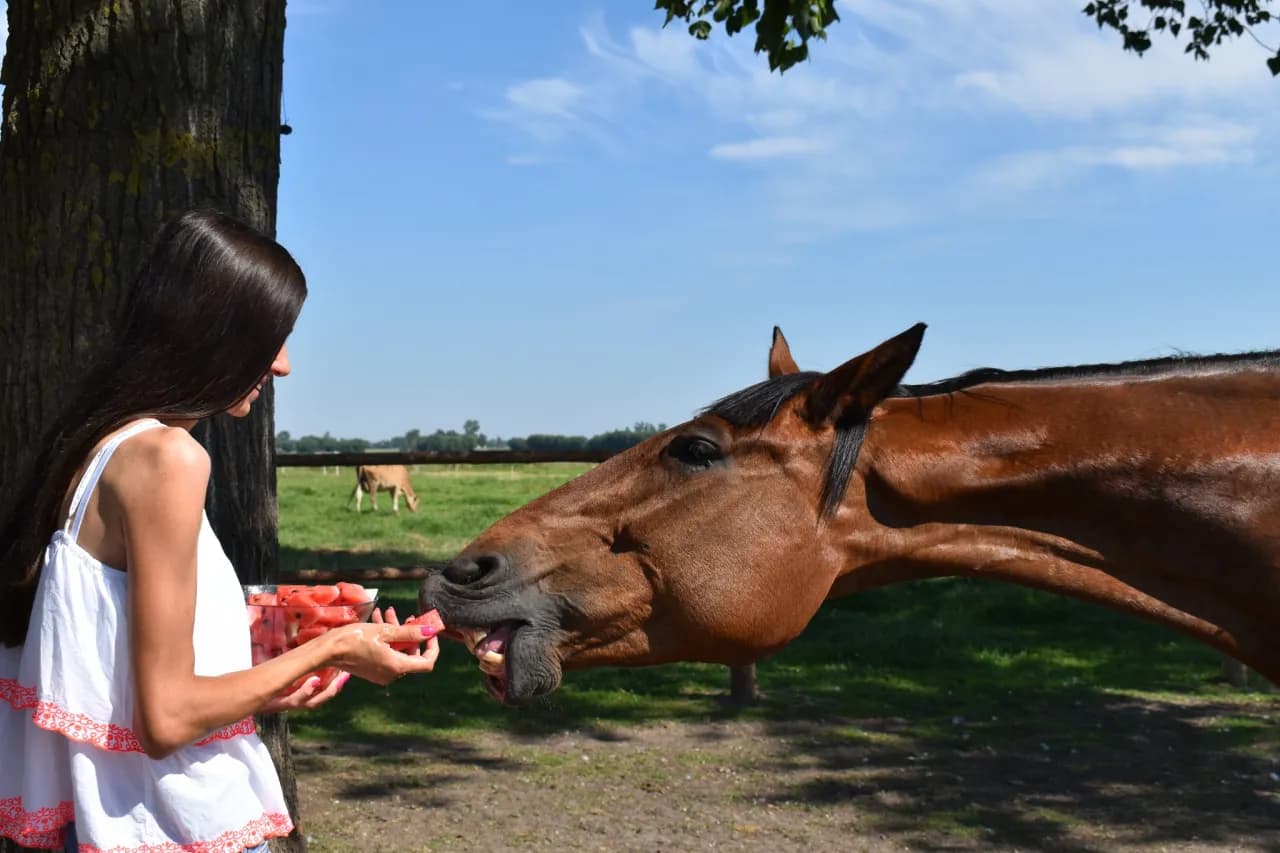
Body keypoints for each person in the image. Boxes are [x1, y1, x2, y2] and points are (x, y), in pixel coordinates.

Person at [0, 209, 441, 852]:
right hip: (174, 827)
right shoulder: (170, 459)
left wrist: (273, 633)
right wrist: (334, 649)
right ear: (217, 334)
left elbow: (113, 652)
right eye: (273, 337)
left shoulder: (96, 448)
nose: (284, 365)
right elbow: (167, 717)